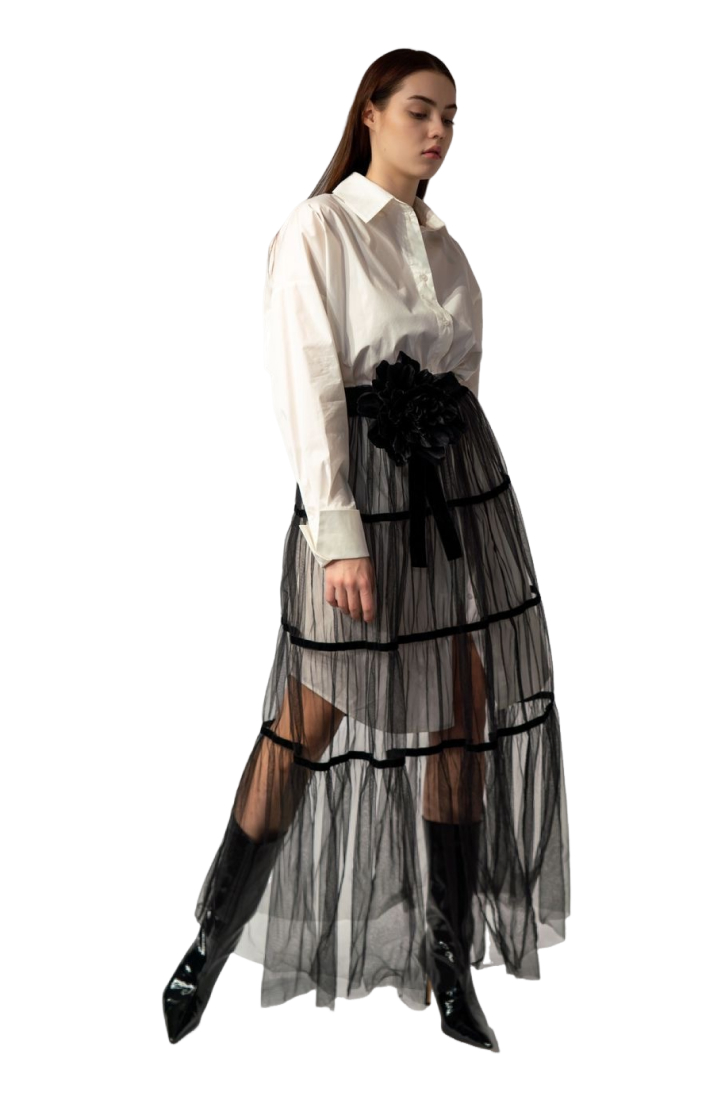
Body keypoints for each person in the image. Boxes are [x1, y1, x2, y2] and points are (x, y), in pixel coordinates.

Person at [162, 48, 571, 1052]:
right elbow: (307, 384)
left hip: (458, 498)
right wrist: (337, 531)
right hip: (363, 500)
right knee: (308, 718)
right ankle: (211, 939)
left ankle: (447, 964)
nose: (438, 132)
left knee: (464, 711)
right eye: (420, 111)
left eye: (452, 117)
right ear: (371, 114)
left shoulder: (445, 246)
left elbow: (462, 383)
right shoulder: (320, 228)